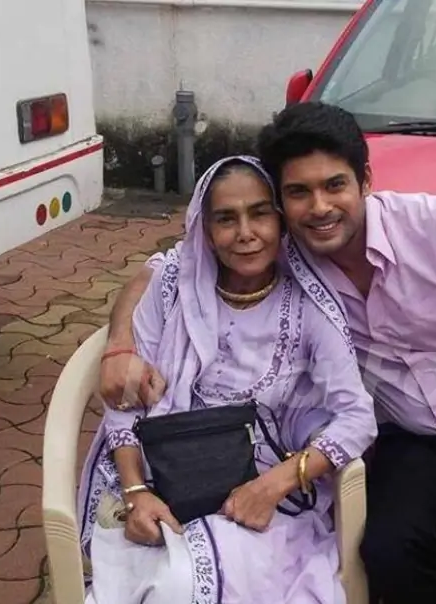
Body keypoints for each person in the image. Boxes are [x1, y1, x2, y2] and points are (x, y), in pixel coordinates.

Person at [99, 103, 436, 604]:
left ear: (366, 181)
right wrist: (120, 345)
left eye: (335, 185)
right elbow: (162, 267)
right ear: (283, 205)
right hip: (414, 445)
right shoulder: (283, 252)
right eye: (299, 193)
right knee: (389, 552)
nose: (320, 207)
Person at [78, 155, 377, 604]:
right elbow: (128, 398)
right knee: (169, 579)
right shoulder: (175, 285)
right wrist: (136, 491)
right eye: (226, 219)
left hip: (264, 485)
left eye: (259, 213)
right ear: (205, 230)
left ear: (280, 219)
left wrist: (273, 485)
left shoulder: (309, 304)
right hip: (159, 473)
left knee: (198, 581)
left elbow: (356, 417)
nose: (245, 233)